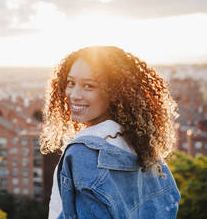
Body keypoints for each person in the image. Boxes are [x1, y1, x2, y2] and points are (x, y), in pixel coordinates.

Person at [40, 46, 180, 219]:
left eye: (88, 86)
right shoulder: (142, 146)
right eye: (71, 83)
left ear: (114, 93)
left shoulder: (83, 153)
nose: (74, 95)